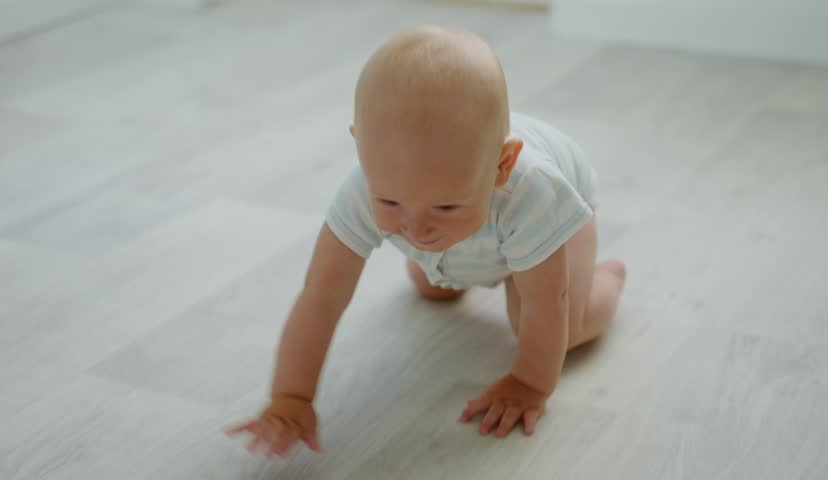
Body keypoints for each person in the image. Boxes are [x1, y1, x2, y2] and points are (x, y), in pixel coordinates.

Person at [226, 25, 626, 459]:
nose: (415, 230)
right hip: (480, 220)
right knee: (432, 289)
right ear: (361, 149)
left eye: (445, 207)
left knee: (552, 324)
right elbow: (320, 296)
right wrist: (291, 397)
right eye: (391, 201)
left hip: (556, 217)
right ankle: (459, 246)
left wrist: (529, 384)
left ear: (501, 164)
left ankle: (608, 281)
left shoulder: (532, 191)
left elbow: (548, 301)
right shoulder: (365, 185)